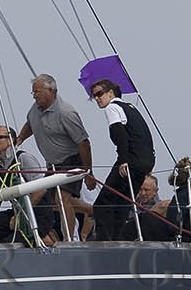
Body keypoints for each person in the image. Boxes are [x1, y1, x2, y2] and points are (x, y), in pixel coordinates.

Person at [15, 74, 93, 242]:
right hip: (52, 163)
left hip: (71, 159)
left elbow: (84, 142)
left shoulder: (66, 113)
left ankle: (68, 240)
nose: (34, 95)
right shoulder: (35, 109)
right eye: (33, 92)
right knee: (51, 201)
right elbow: (30, 124)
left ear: (51, 91)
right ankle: (90, 210)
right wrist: (20, 137)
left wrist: (88, 172)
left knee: (62, 198)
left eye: (37, 91)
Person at [86, 79, 155, 241]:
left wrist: (123, 160)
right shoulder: (131, 108)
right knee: (122, 202)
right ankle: (117, 239)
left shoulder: (112, 107)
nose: (96, 98)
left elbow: (119, 135)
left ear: (111, 93)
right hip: (145, 162)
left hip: (130, 161)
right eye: (93, 96)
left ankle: (105, 242)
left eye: (99, 94)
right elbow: (145, 135)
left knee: (102, 204)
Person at [0, 125, 44, 244]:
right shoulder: (1, 169)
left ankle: (47, 236)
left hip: (36, 212)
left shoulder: (23, 159)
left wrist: (21, 215)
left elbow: (41, 190)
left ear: (10, 140)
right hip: (17, 212)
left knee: (9, 242)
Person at [134, 173, 181, 242]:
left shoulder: (164, 208)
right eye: (140, 189)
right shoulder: (131, 206)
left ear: (156, 191)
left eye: (146, 190)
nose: (143, 193)